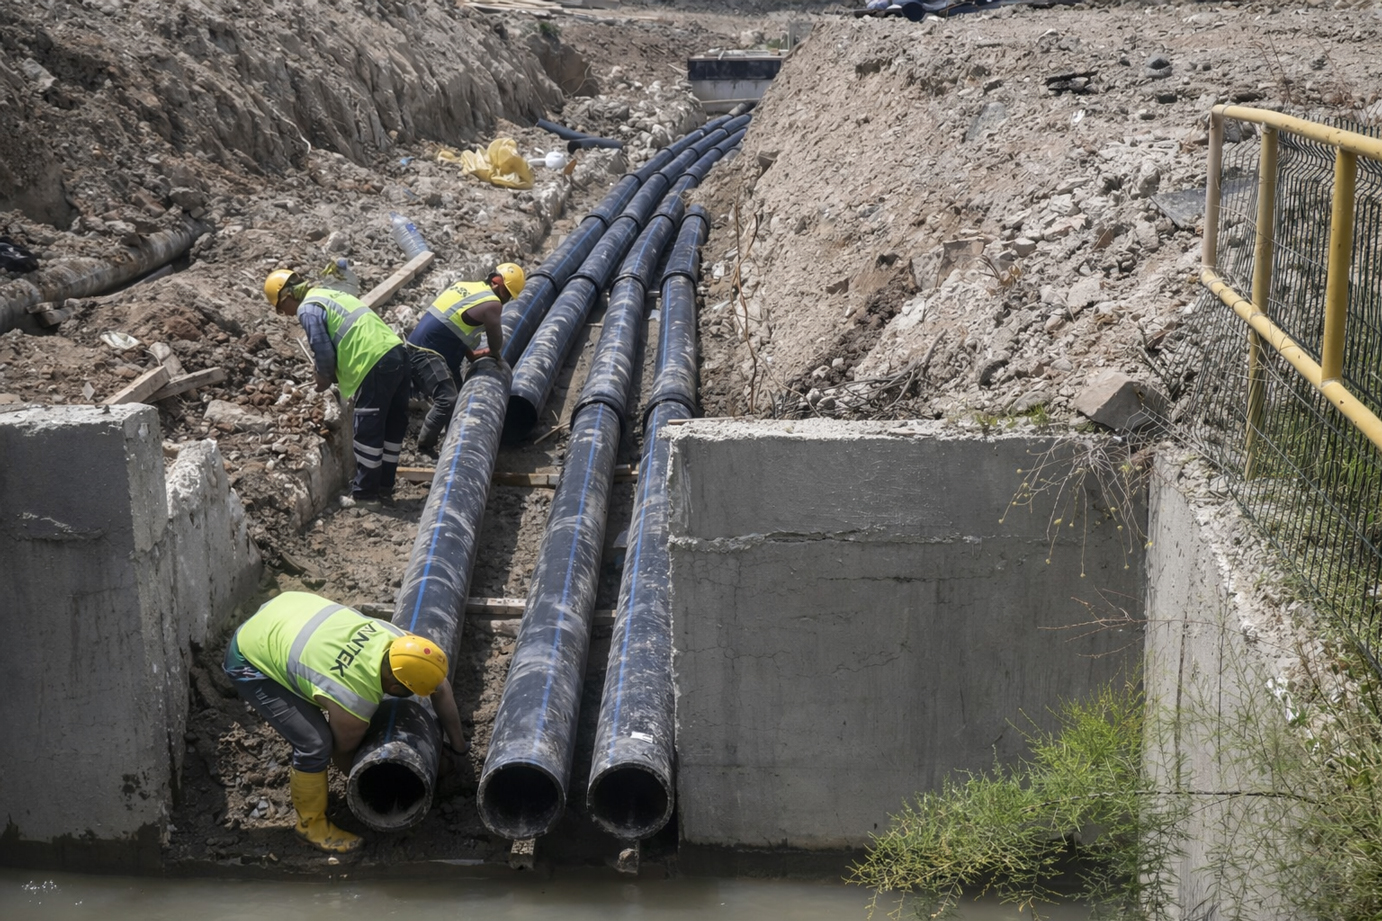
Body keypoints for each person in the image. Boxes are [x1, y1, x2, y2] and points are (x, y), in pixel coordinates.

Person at [222, 591, 468, 853]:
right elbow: (342, 754)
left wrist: (459, 748)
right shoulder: (353, 700)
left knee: (319, 694)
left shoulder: (399, 641)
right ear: (395, 688)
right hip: (248, 659)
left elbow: (440, 688)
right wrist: (386, 785)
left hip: (287, 608)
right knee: (315, 744)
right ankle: (310, 827)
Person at [265, 266, 409, 506]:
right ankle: (384, 487)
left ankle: (366, 495)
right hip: (396, 353)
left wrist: (323, 378)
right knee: (393, 425)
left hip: (372, 362)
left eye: (281, 308)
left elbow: (323, 352)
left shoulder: (307, 308)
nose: (285, 314)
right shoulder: (328, 294)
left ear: (287, 296)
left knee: (368, 431)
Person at [406, 263, 525, 455]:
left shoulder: (468, 287)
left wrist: (472, 355)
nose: (506, 299)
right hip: (426, 351)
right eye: (507, 293)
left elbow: (454, 323)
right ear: (497, 283)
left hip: (430, 347)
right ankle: (425, 448)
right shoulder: (492, 303)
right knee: (447, 400)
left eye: (510, 296)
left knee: (460, 398)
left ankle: (452, 445)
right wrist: (495, 354)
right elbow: (496, 339)